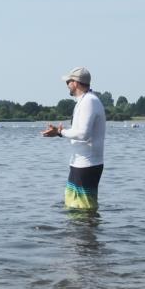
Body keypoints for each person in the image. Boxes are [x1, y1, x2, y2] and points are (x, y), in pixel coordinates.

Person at [42, 67, 107, 211]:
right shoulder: (84, 101)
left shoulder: (89, 101)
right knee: (74, 205)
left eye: (68, 82)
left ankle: (88, 226)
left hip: (87, 164)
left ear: (75, 83)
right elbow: (79, 131)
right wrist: (59, 133)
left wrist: (60, 132)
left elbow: (83, 134)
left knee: (83, 209)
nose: (67, 85)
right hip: (80, 163)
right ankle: (85, 226)